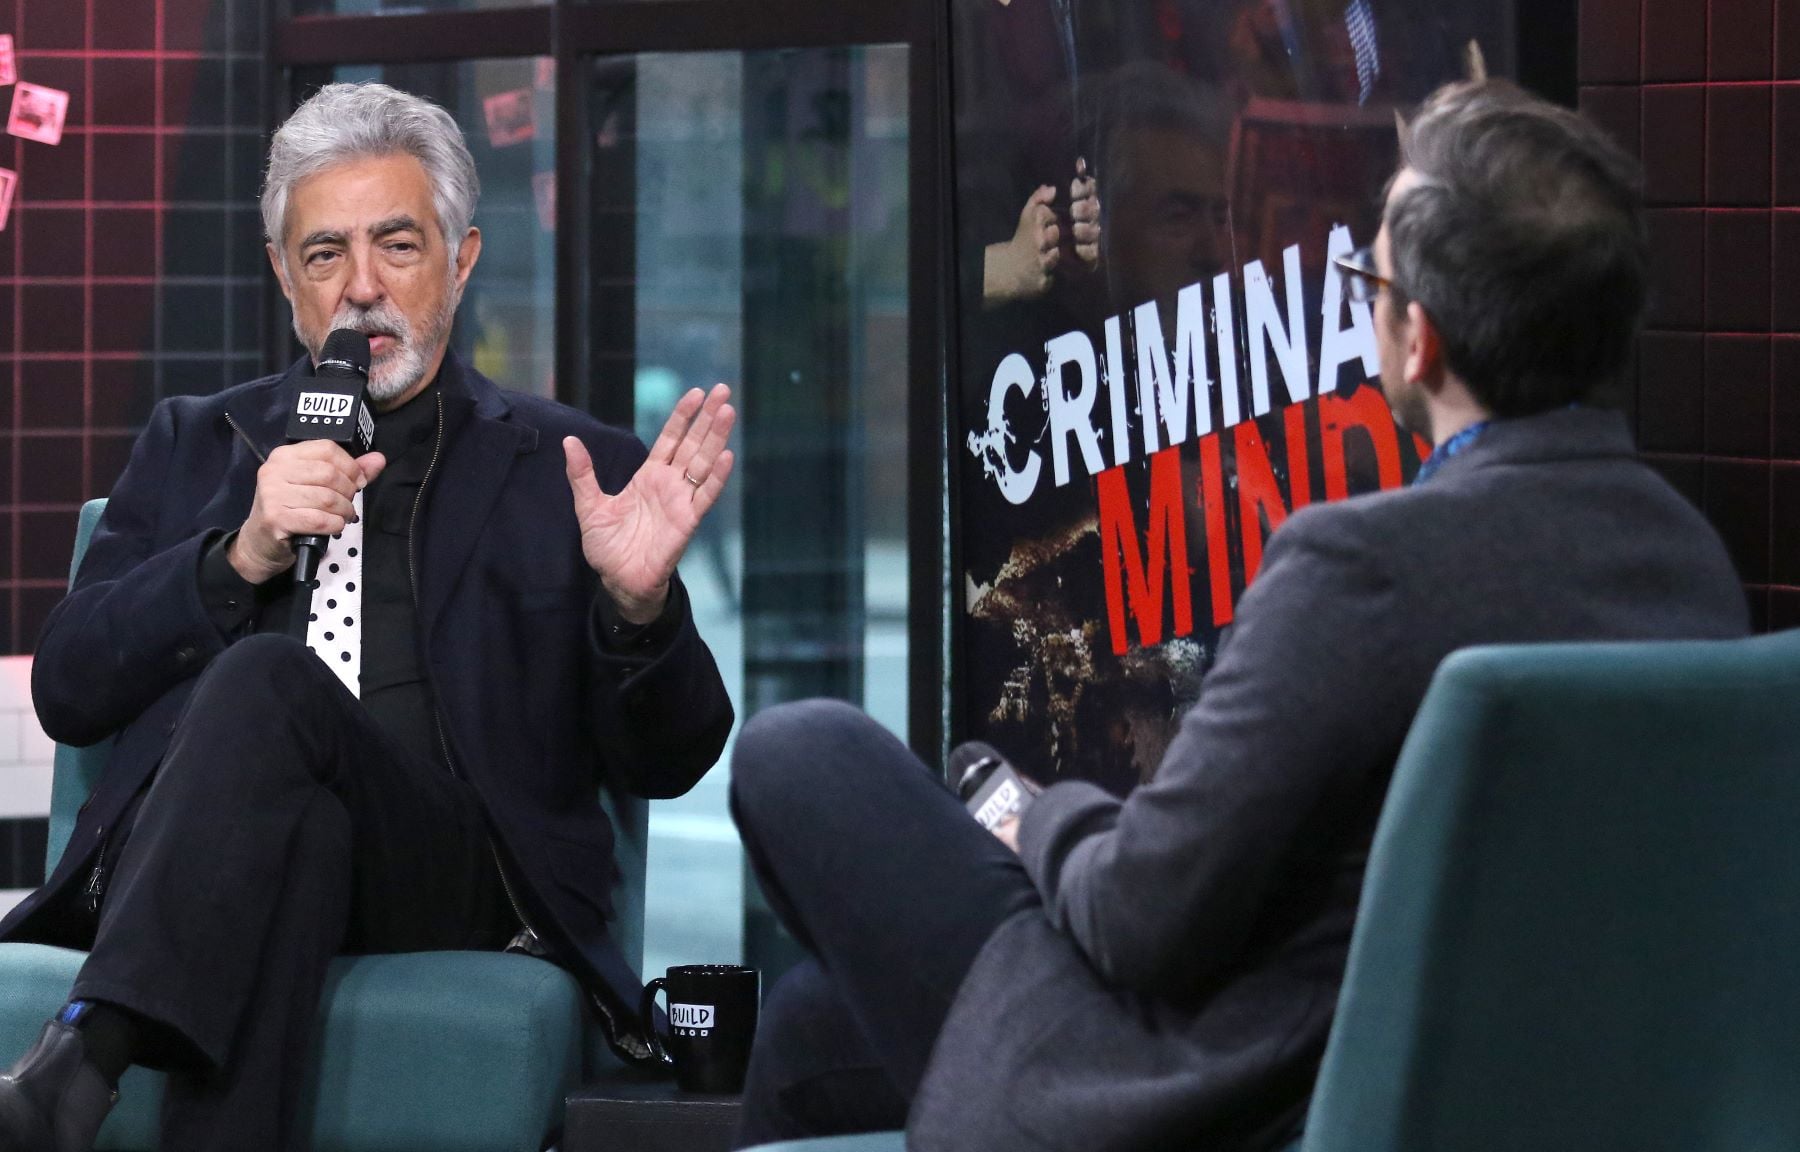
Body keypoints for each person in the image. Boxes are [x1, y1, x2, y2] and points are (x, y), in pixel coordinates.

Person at [725, 78, 1749, 1151]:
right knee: (809, 1029)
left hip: (1238, 1096)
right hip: (1503, 1087)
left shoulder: (1360, 571)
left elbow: (1140, 920)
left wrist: (1032, 817)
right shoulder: (1690, 567)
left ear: (1420, 343)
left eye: (1372, 283)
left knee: (803, 752)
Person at [0, 82, 735, 1151]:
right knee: (302, 834)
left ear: (461, 260)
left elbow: (670, 760)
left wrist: (639, 606)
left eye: (397, 245)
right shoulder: (197, 445)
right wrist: (239, 555)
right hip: (219, 858)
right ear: (283, 276)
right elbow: (69, 686)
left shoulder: (569, 469)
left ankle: (80, 1060)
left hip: (452, 871)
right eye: (324, 254)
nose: (361, 289)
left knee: (268, 681)